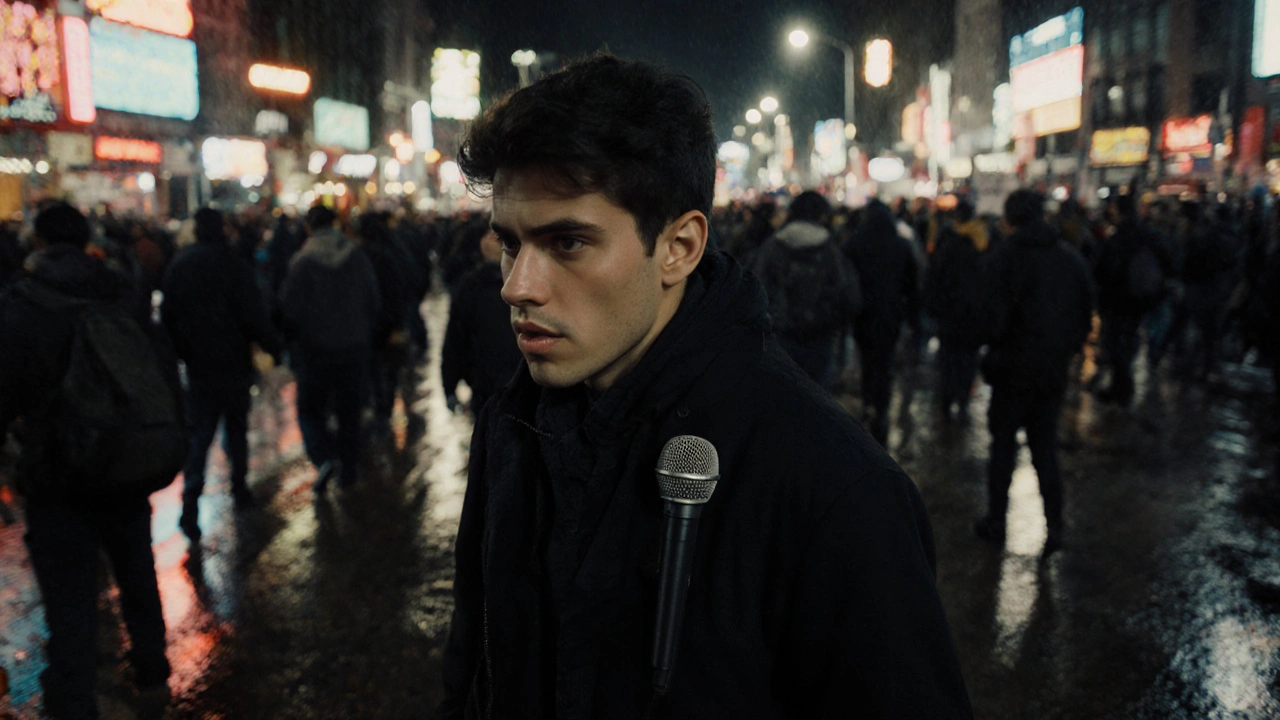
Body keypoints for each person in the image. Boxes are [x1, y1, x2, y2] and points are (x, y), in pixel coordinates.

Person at [439, 54, 971, 718]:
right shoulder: (514, 422)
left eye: (568, 243)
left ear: (679, 247)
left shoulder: (831, 485)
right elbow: (477, 664)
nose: (517, 286)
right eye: (511, 244)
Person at [0, 203, 171, 719]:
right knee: (137, 574)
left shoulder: (20, 305)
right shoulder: (116, 288)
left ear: (35, 242)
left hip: (58, 476)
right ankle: (152, 675)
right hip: (122, 463)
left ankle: (74, 703)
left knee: (70, 603)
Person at [974, 190, 1094, 555]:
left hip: (1011, 371)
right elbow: (1084, 314)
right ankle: (1054, 526)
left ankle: (997, 520)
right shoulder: (1070, 260)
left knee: (1004, 449)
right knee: (1045, 449)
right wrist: (1063, 351)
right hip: (1050, 373)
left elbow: (989, 320)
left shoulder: (1003, 259)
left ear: (1009, 218)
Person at [163, 207, 281, 538]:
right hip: (233, 362)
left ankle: (190, 504)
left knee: (200, 435)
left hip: (198, 366)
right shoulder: (233, 264)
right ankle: (239, 489)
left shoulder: (181, 265)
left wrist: (176, 356)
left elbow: (168, 317)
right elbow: (252, 311)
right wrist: (272, 344)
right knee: (236, 429)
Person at [280, 205, 380, 492]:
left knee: (310, 410)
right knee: (349, 411)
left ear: (309, 226)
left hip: (315, 351)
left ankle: (324, 457)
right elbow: (373, 299)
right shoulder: (356, 256)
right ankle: (349, 470)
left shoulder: (302, 261)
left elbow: (291, 310)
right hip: (354, 346)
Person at [752, 190, 861, 388]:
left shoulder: (773, 247)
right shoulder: (830, 250)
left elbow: (757, 291)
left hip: (779, 339)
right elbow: (847, 295)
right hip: (819, 341)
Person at [844, 198, 922, 446]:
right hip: (890, 315)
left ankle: (869, 402)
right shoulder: (901, 245)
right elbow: (913, 284)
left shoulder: (854, 244)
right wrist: (911, 315)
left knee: (867, 359)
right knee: (885, 362)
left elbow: (845, 280)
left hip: (863, 314)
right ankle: (881, 406)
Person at [1093, 193, 1173, 405]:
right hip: (1142, 297)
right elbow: (1168, 260)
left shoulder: (1118, 237)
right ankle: (1122, 386)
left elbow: (1103, 270)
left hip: (1118, 299)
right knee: (1128, 340)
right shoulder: (1149, 234)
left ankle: (1122, 389)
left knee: (1117, 343)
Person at [441, 230, 524, 414]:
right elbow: (456, 339)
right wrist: (450, 384)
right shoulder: (471, 286)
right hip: (489, 389)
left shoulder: (529, 284)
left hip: (516, 389)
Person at [925, 198, 988, 421]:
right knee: (968, 359)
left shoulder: (946, 239)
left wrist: (933, 307)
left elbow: (934, 276)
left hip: (949, 313)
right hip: (973, 315)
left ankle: (946, 399)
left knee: (948, 358)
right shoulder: (984, 240)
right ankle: (962, 400)